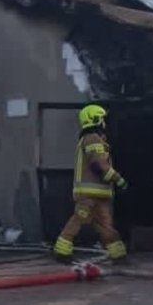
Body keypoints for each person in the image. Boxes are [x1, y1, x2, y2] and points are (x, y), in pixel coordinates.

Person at [52, 104, 130, 264]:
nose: (104, 123)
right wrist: (118, 179)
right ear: (95, 119)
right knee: (80, 218)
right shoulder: (92, 138)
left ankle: (118, 255)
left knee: (105, 225)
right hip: (89, 193)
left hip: (99, 194)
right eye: (102, 119)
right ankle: (61, 251)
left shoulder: (93, 139)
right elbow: (99, 165)